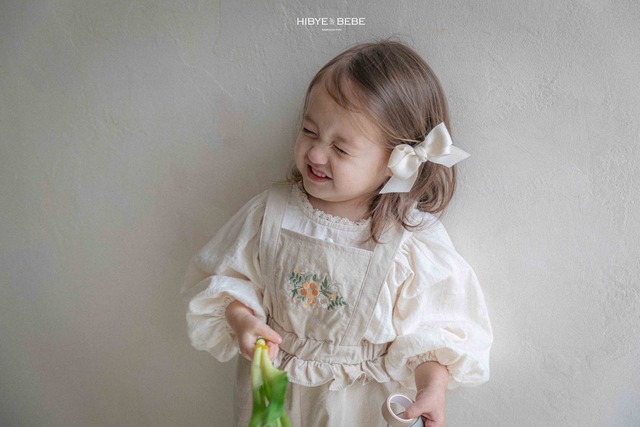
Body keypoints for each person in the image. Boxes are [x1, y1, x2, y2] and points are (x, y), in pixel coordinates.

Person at [183, 40, 492, 427]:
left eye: (341, 149)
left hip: (361, 406)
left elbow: (436, 328)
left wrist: (432, 387)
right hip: (274, 395)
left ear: (397, 161)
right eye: (309, 131)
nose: (315, 154)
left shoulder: (409, 241)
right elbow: (229, 281)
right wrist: (243, 321)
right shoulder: (271, 214)